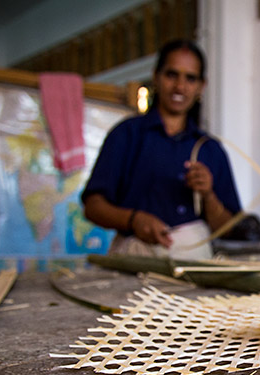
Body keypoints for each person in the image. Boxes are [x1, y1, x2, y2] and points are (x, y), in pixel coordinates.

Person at [82, 39, 242, 260]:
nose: (180, 86)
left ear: (201, 86)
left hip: (193, 261)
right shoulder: (127, 135)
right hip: (134, 259)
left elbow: (229, 229)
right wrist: (133, 219)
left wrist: (208, 195)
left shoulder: (210, 149)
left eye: (190, 78)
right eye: (171, 74)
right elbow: (93, 207)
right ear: (156, 76)